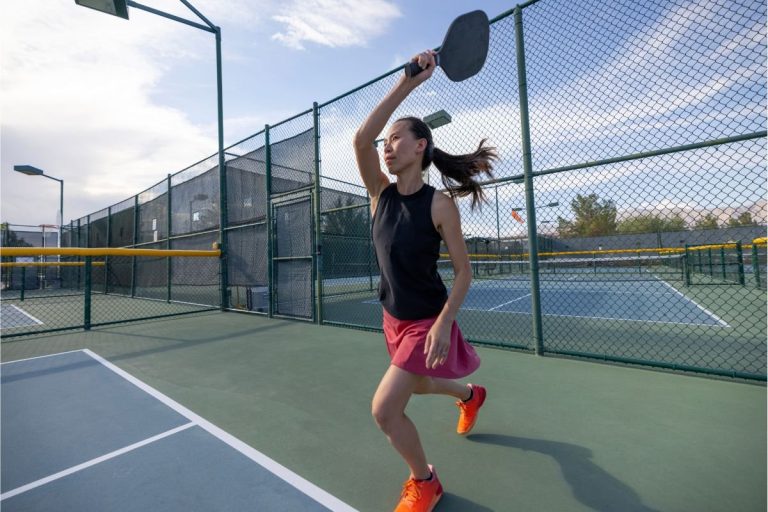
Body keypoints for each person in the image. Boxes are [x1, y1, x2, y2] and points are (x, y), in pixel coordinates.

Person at [353, 49, 498, 512]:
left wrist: (443, 323)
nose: (386, 146)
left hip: (426, 320)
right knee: (415, 386)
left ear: (420, 147)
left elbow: (464, 271)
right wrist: (408, 82)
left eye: (397, 139)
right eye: (385, 142)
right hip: (393, 317)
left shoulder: (439, 206)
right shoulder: (379, 193)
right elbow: (361, 139)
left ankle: (425, 481)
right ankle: (470, 395)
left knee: (385, 409)